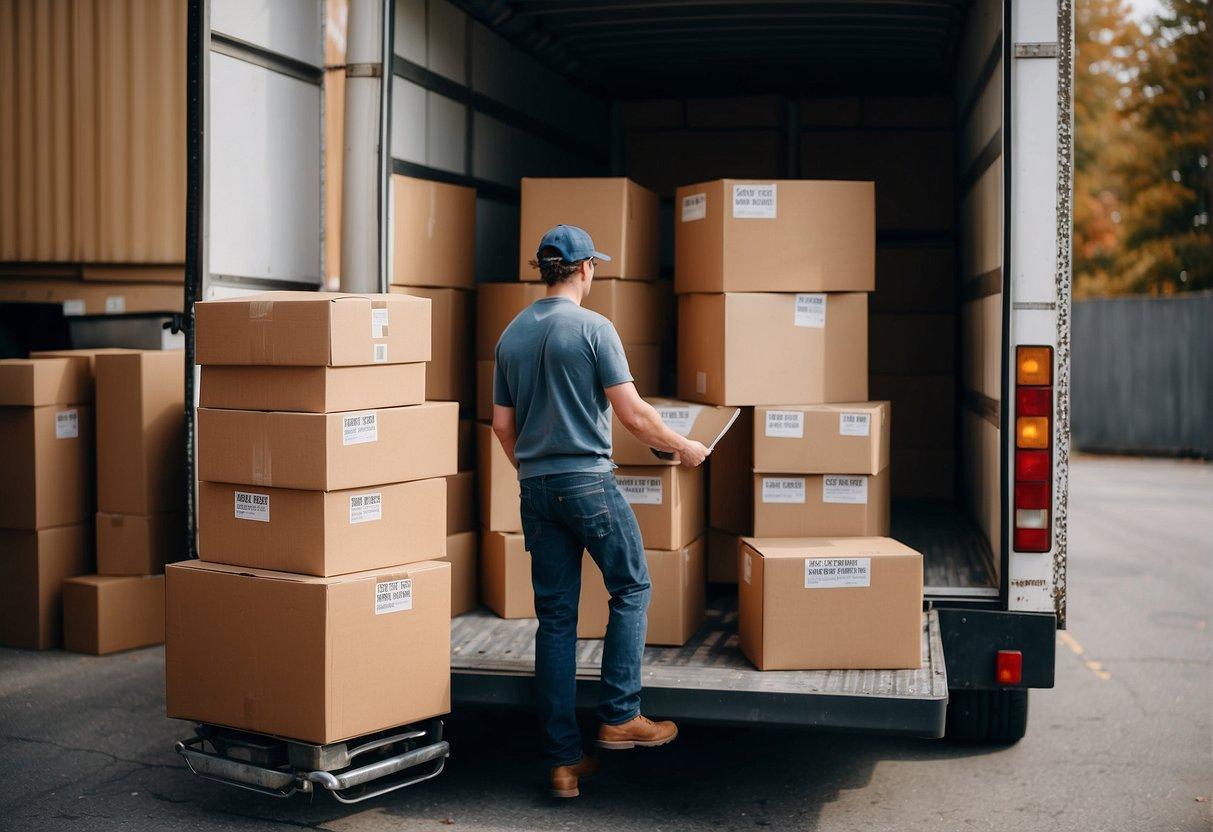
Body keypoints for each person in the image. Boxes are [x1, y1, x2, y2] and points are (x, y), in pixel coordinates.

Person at [492, 225, 710, 798]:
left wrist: (535, 472)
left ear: (545, 270)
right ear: (586, 269)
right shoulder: (594, 329)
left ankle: (564, 762)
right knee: (632, 587)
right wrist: (685, 447)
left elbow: (502, 427)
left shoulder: (511, 335)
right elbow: (633, 415)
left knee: (557, 619)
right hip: (587, 481)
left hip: (535, 489)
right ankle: (620, 714)